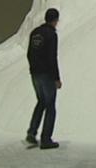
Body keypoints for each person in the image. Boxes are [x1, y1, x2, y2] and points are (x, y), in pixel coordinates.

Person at [25, 8, 62, 149]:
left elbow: (29, 53)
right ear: (55, 20)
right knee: (50, 106)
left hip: (35, 74)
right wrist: (56, 78)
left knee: (41, 102)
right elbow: (52, 57)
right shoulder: (51, 34)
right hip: (47, 74)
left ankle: (32, 133)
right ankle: (46, 139)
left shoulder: (35, 33)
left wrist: (33, 69)